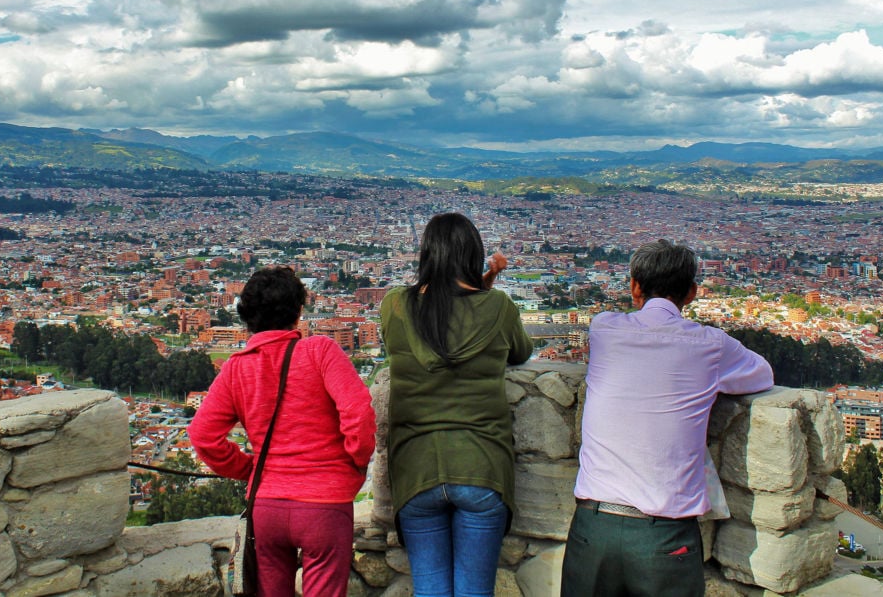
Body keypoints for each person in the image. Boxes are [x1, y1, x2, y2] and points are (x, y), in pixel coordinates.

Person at [560, 239, 774, 597]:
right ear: (691, 292)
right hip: (665, 535)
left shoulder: (603, 329)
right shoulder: (710, 345)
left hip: (592, 526)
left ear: (634, 287)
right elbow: (762, 375)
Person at [188, 266, 376, 597]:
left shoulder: (237, 367)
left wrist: (249, 469)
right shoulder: (320, 352)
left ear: (247, 317)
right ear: (299, 310)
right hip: (324, 503)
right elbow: (358, 412)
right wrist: (355, 463)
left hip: (268, 507)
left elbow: (203, 436)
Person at [380, 212, 534, 597]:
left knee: (430, 591)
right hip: (481, 467)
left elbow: (439, 315)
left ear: (427, 255)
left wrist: (482, 285)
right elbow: (520, 351)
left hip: (416, 470)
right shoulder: (497, 307)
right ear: (474, 255)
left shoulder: (395, 306)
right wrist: (488, 284)